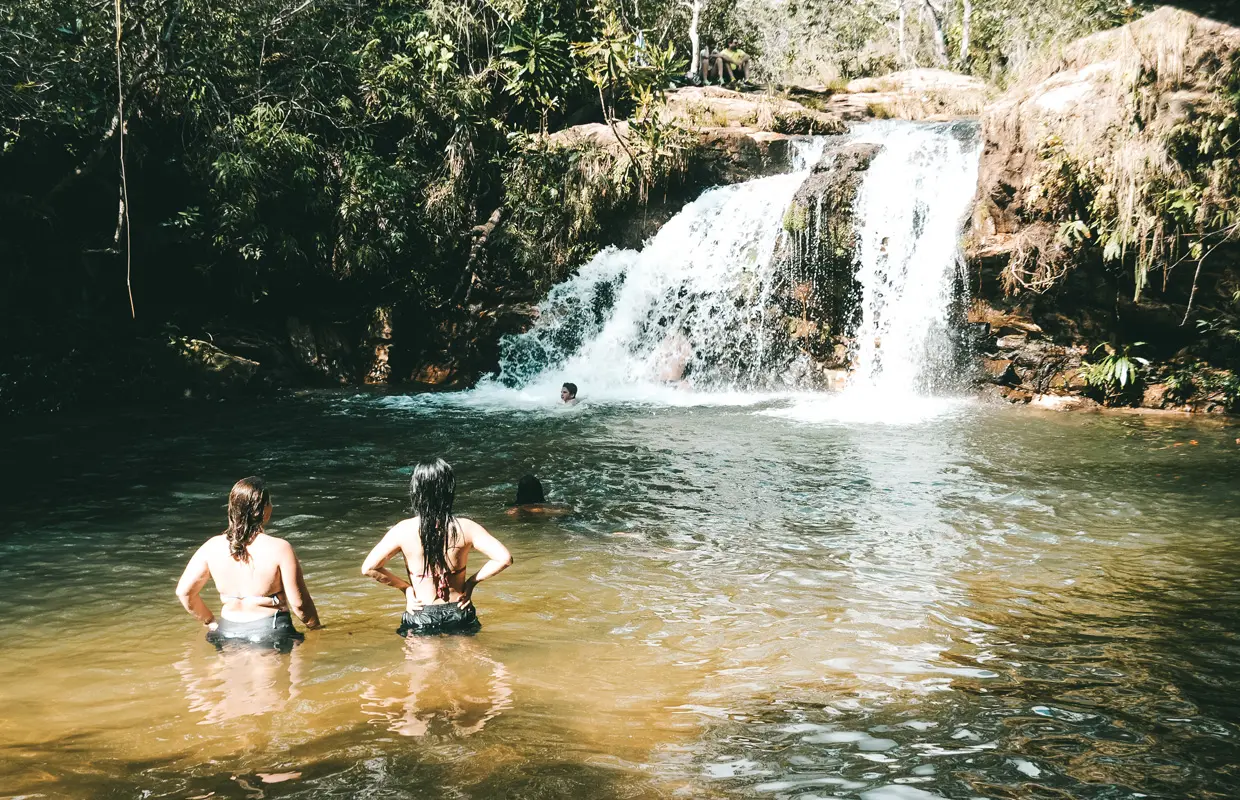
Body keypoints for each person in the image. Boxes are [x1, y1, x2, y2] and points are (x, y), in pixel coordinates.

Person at [362, 458, 513, 636]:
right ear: (449, 489)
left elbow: (369, 568)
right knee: (466, 661)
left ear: (416, 490)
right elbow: (504, 558)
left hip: (420, 612)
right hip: (458, 610)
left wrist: (406, 589)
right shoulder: (466, 527)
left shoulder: (403, 530)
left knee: (422, 663)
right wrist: (471, 583)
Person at [176, 476, 321, 647]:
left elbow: (184, 592)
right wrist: (317, 630)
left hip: (227, 633)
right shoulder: (280, 548)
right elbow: (300, 605)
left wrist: (210, 622)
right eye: (270, 503)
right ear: (263, 510)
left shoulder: (211, 547)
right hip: (271, 632)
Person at [505, 474, 570, 516]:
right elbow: (568, 512)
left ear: (519, 492)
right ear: (540, 491)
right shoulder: (548, 510)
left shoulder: (511, 512)